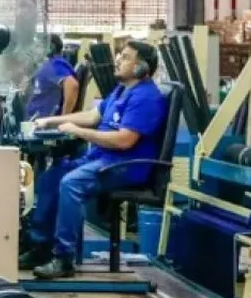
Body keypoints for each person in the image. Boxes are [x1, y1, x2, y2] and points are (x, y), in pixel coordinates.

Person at [21, 40, 168, 279]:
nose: (118, 60)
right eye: (120, 55)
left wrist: (78, 132)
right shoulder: (121, 90)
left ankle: (64, 258)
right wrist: (51, 121)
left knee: (71, 184)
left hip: (125, 166)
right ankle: (41, 247)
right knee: (51, 177)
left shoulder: (146, 98)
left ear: (141, 67)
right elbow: (92, 116)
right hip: (102, 158)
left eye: (126, 57)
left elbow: (124, 141)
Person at [25, 35, 78, 120]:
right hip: (34, 121)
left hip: (43, 124)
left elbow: (72, 85)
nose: (34, 49)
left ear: (51, 47)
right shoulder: (47, 65)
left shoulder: (55, 63)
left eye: (38, 46)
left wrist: (62, 119)